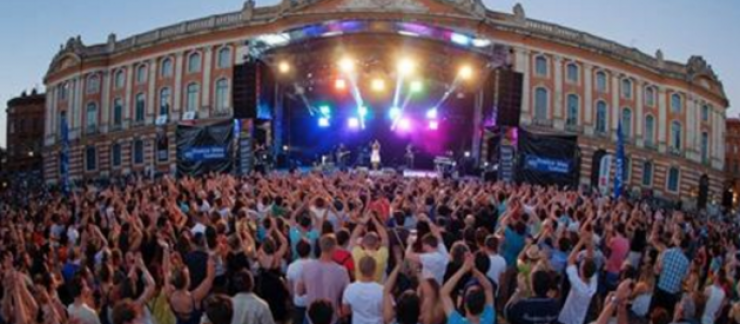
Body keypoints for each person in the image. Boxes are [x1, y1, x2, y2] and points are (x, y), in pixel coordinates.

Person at [298, 235, 351, 321]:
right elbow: (347, 299)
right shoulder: (341, 271)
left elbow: (299, 292)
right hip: (331, 318)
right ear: (335, 248)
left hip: (311, 317)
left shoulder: (307, 267)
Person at [441, 256, 496, 324]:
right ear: (483, 307)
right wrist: (474, 269)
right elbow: (488, 288)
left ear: (465, 305)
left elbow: (444, 293)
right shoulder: (489, 320)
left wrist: (464, 269)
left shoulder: (455, 321)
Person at [557, 234, 597, 324]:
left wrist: (581, 241)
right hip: (579, 320)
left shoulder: (577, 284)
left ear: (581, 271)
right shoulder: (593, 285)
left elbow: (570, 260)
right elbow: (590, 258)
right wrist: (588, 242)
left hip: (566, 319)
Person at [342, 256, 384, 324]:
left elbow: (345, 310)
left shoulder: (350, 288)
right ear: (375, 269)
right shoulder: (382, 290)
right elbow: (389, 312)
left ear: (359, 269)